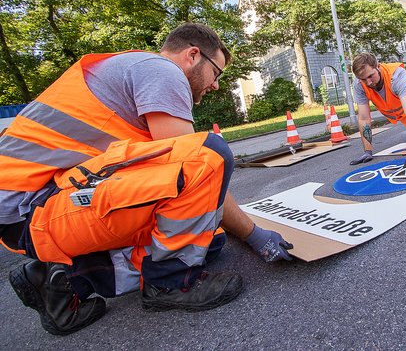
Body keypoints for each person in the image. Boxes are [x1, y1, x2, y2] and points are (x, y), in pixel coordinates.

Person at [0, 23, 293, 335]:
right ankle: (168, 282)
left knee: (210, 238)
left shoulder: (130, 70)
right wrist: (253, 234)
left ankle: (62, 281)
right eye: (217, 73)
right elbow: (195, 169)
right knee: (209, 153)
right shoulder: (162, 71)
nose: (216, 85)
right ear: (193, 55)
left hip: (36, 213)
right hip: (33, 211)